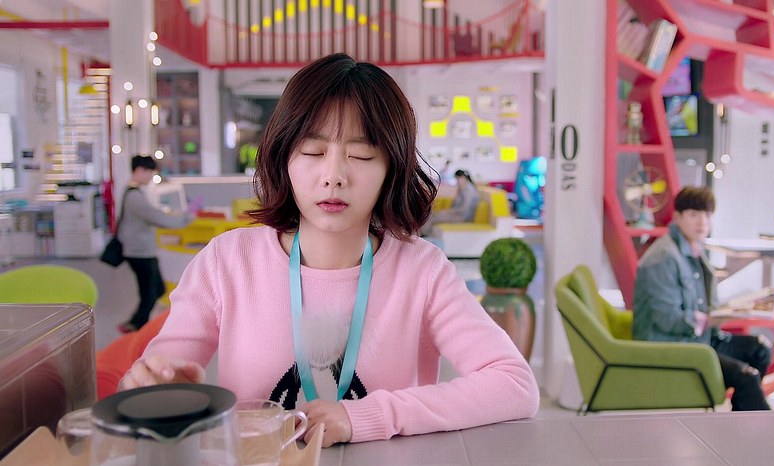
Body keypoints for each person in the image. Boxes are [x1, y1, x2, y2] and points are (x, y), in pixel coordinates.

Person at [119, 53, 539, 448]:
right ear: (284, 157)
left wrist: (369, 416)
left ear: (391, 167)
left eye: (361, 154)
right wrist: (154, 388)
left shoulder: (422, 271)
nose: (334, 175)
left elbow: (513, 383)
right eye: (313, 151)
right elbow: (146, 389)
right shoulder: (227, 262)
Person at [633, 186, 772, 411]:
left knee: (760, 349)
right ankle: (754, 427)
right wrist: (708, 320)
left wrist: (735, 309)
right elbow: (666, 318)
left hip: (698, 339)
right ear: (677, 217)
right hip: (672, 346)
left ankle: (740, 417)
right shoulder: (663, 257)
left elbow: (705, 305)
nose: (702, 222)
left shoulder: (695, 249)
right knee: (747, 376)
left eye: (707, 215)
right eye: (693, 214)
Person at [118, 155, 191, 334]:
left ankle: (135, 323)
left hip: (140, 250)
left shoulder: (131, 192)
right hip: (140, 251)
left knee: (155, 289)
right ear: (139, 170)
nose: (151, 176)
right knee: (151, 292)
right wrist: (186, 219)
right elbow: (157, 217)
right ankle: (137, 328)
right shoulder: (135, 196)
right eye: (149, 172)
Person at [420, 169, 481, 236]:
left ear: (464, 178)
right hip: (458, 215)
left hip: (462, 217)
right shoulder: (464, 188)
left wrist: (449, 211)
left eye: (459, 179)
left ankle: (422, 234)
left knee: (433, 217)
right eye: (457, 179)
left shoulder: (468, 191)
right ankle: (424, 234)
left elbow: (464, 209)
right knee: (432, 215)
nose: (458, 181)